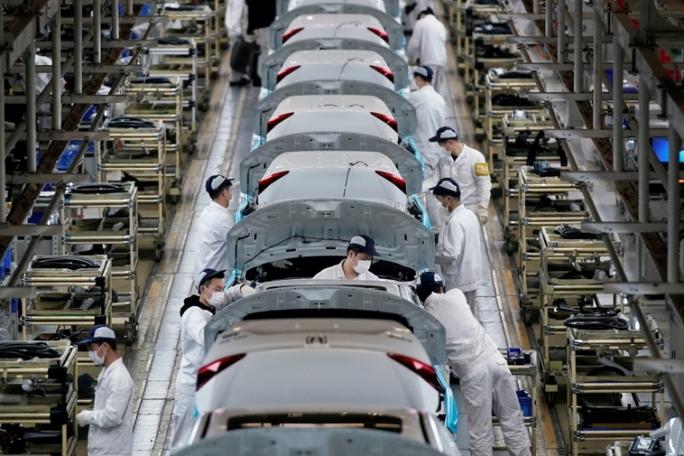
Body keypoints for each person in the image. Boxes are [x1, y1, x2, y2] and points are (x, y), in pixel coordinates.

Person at [416, 272, 531, 456]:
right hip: (496, 361)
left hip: (473, 374)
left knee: (481, 431)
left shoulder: (427, 320)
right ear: (441, 288)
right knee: (513, 420)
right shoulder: (456, 295)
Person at [172, 268, 254, 437]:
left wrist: (240, 289)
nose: (220, 294)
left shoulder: (210, 304)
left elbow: (227, 296)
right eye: (217, 289)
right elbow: (206, 336)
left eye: (222, 289)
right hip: (191, 385)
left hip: (205, 382)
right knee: (184, 437)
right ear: (203, 289)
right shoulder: (194, 314)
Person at [76, 326, 134, 456]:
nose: (90, 353)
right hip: (103, 446)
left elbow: (112, 417)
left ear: (105, 346)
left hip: (113, 450)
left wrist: (88, 416)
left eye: (92, 348)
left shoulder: (119, 378)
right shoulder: (107, 371)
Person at [430, 177, 482, 313]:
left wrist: (431, 257)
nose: (440, 204)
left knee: (459, 315)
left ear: (448, 199)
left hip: (459, 280)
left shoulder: (455, 222)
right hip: (471, 276)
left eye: (440, 199)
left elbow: (451, 253)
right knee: (469, 315)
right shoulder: (470, 215)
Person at [406, 65, 447, 231]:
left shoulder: (416, 97)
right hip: (435, 150)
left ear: (418, 78)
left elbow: (400, 106)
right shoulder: (440, 99)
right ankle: (435, 227)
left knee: (422, 189)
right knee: (430, 187)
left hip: (422, 148)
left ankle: (432, 228)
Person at [430, 126, 492, 224]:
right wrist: (416, 189)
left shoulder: (477, 157)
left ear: (450, 143)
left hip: (470, 210)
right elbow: (433, 180)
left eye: (442, 145)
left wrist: (483, 207)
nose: (442, 148)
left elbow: (484, 183)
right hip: (450, 210)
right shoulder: (443, 160)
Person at [194, 174, 235, 284]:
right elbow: (240, 244)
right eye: (229, 189)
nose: (231, 192)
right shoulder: (222, 218)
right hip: (213, 281)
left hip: (202, 275)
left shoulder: (207, 212)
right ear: (223, 192)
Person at [406, 8, 448, 98]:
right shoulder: (440, 25)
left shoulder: (420, 23)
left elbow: (413, 45)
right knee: (437, 92)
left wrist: (408, 58)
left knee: (427, 91)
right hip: (442, 61)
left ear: (422, 14)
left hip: (429, 61)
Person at [313, 235, 380, 280]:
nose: (367, 263)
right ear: (351, 254)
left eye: (370, 259)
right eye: (364, 258)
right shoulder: (325, 276)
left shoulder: (373, 280)